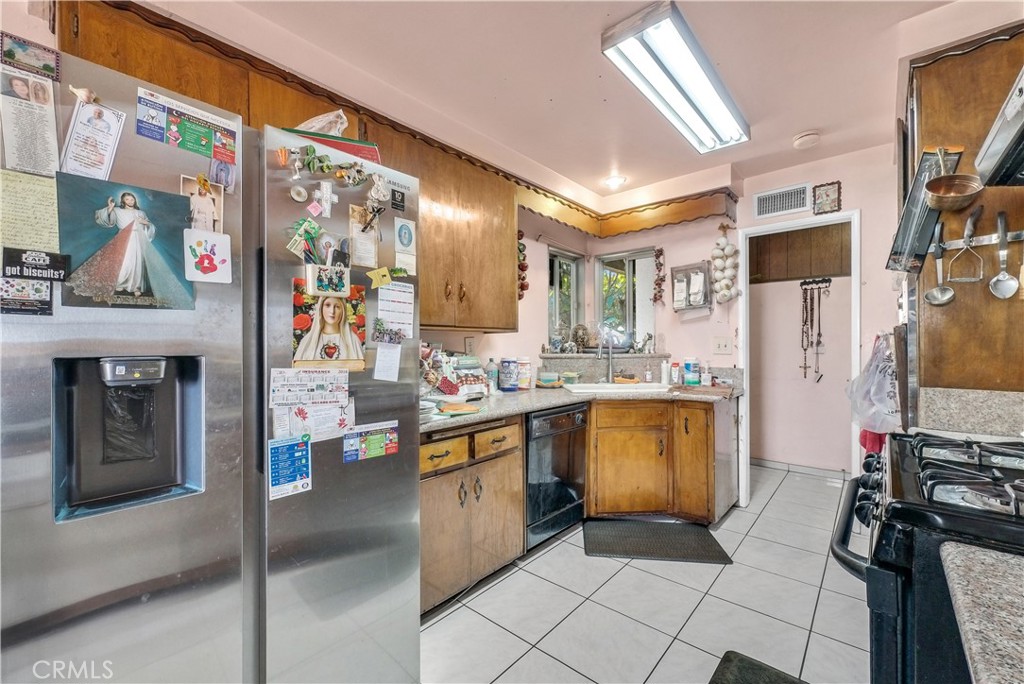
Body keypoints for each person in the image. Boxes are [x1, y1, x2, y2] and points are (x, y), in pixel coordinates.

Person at [294, 296, 363, 361]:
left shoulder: (353, 341)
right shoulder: (307, 341)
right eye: (327, 305)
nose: (332, 311)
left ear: (343, 311)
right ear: (321, 308)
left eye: (337, 307)